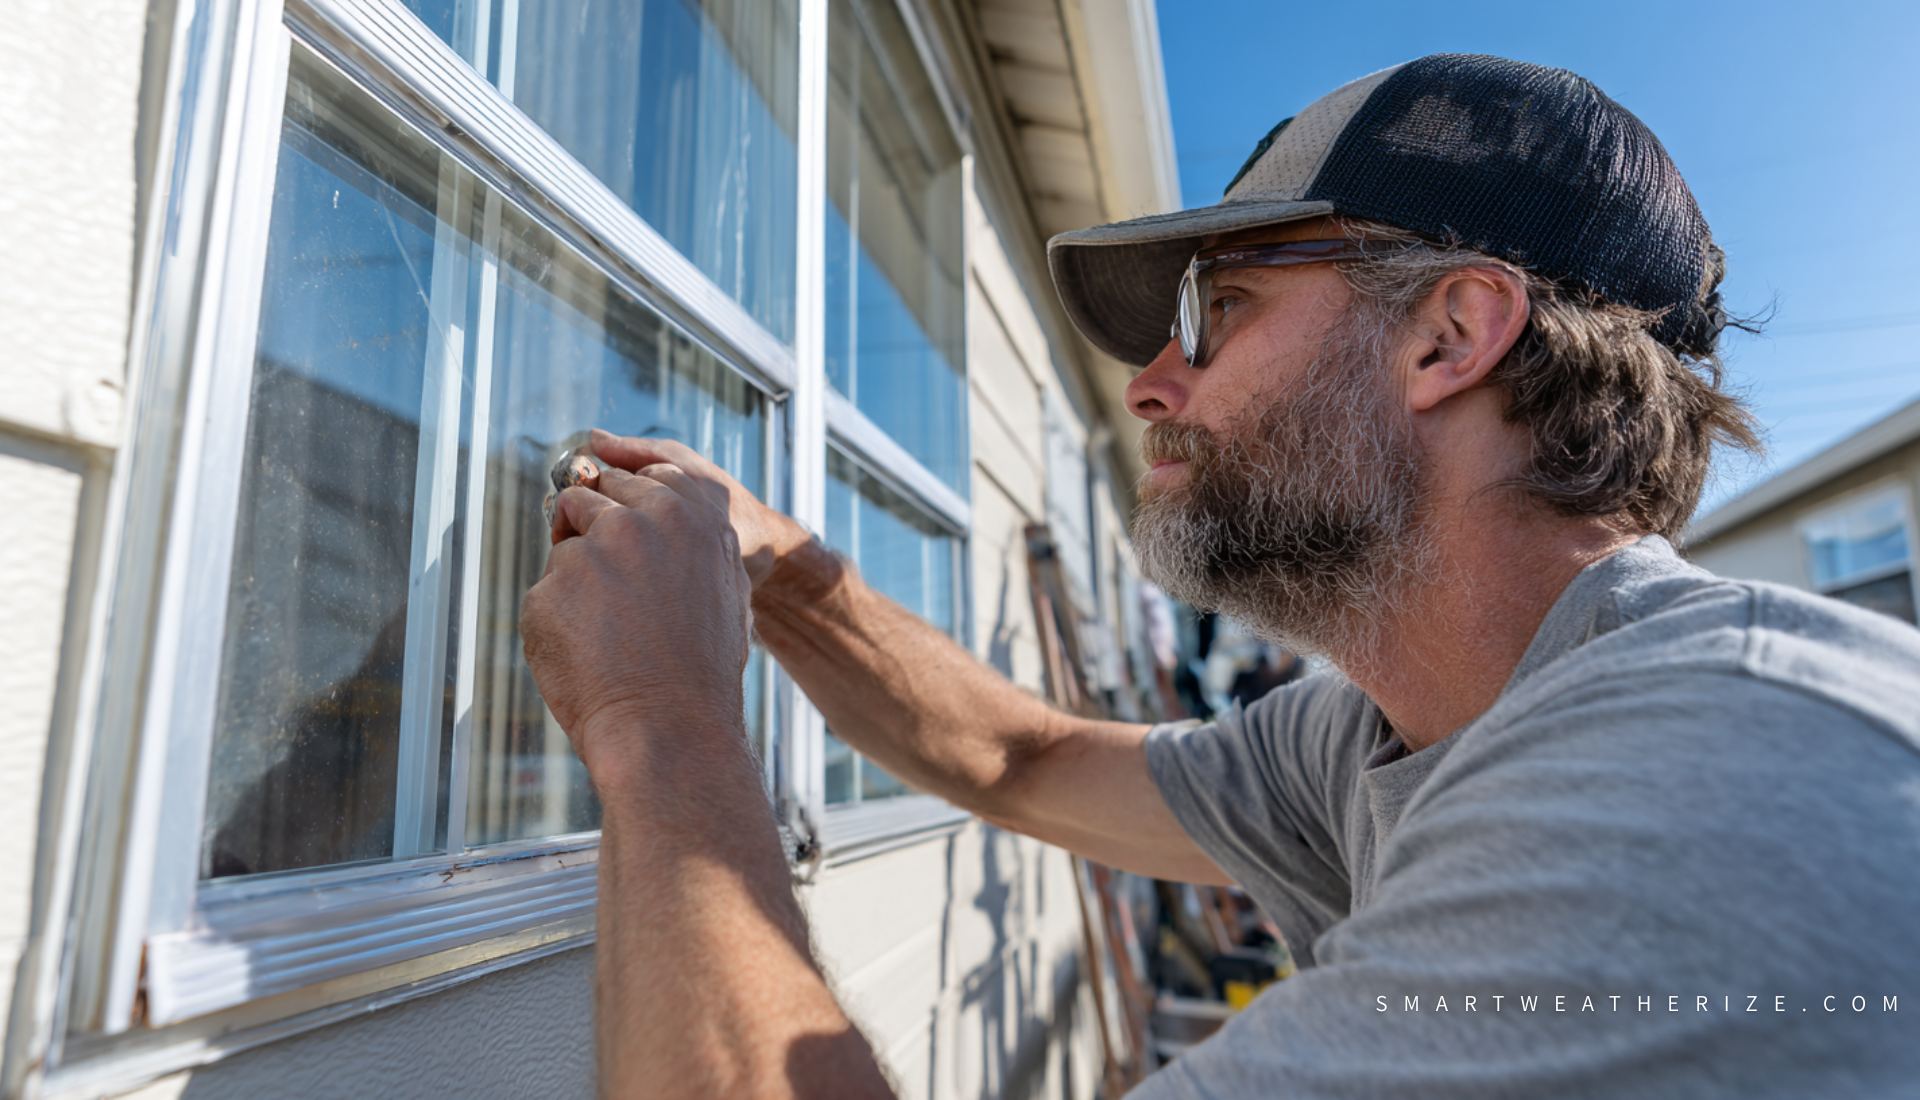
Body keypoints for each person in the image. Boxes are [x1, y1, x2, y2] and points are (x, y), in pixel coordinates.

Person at [519, 54, 1920, 1098]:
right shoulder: (1402, 723)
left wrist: (659, 720)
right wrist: (793, 582)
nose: (1151, 385)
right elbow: (1022, 760)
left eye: (1222, 309)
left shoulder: (1705, 787)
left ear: (1451, 338)